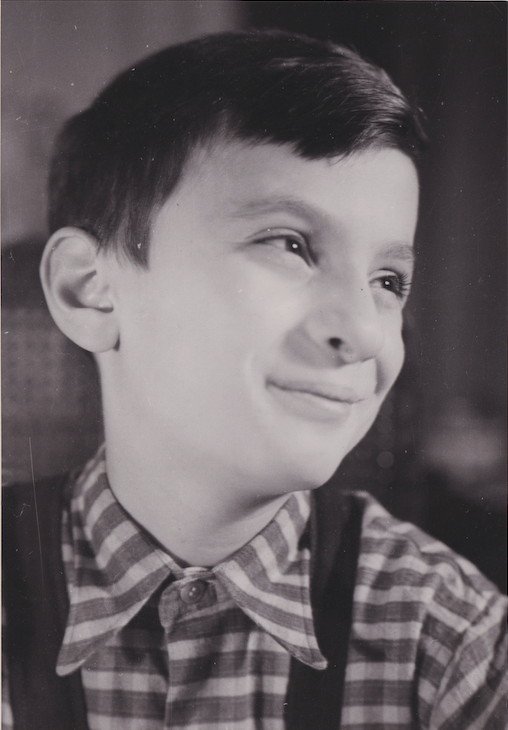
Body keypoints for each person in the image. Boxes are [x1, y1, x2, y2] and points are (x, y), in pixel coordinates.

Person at [2, 29, 506, 730]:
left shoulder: (453, 641)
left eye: (389, 281)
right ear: (90, 291)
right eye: (290, 244)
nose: (365, 333)